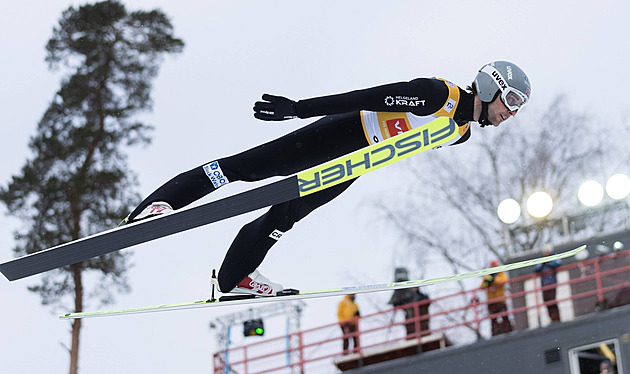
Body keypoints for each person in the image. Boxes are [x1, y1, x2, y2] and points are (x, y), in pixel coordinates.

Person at [121, 61, 531, 295]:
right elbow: (368, 96)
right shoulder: (440, 97)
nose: (511, 112)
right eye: (511, 101)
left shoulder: (460, 133)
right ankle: (161, 205)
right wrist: (298, 109)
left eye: (519, 107)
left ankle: (234, 277)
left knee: (285, 215)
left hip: (355, 163)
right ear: (488, 86)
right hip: (340, 134)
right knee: (246, 167)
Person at [388, 268, 431, 338]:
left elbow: (426, 303)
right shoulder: (406, 296)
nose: (413, 289)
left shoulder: (420, 296)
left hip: (422, 323)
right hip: (411, 325)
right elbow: (396, 303)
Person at [480, 259, 513, 336]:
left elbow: (503, 281)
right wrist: (487, 282)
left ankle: (508, 331)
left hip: (501, 300)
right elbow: (482, 286)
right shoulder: (487, 276)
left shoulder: (501, 275)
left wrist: (493, 280)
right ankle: (495, 333)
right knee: (493, 319)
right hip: (491, 301)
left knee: (504, 317)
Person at [534, 250, 562, 322]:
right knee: (546, 302)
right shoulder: (542, 260)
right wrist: (543, 263)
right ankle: (552, 318)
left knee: (552, 301)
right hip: (544, 285)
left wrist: (549, 262)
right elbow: (536, 269)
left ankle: (556, 318)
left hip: (551, 283)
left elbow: (557, 263)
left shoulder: (554, 257)